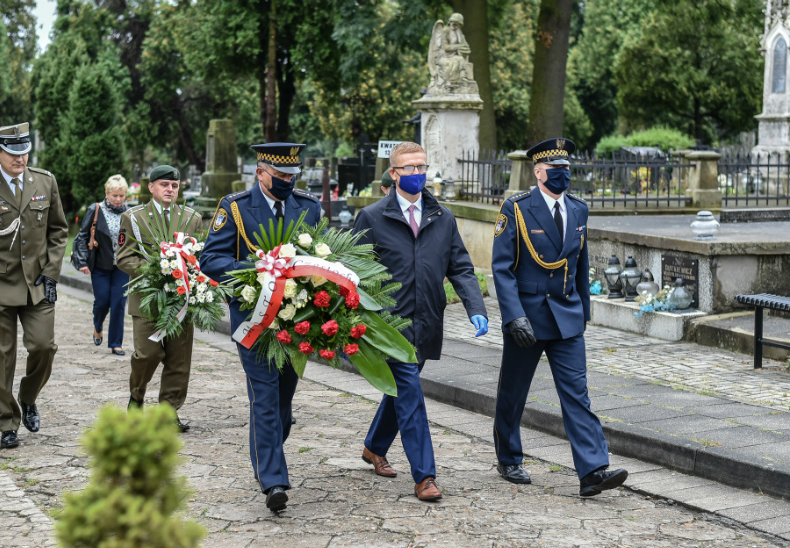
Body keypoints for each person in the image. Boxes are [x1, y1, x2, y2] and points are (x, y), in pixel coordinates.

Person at [491, 137, 629, 497]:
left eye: (567, 169)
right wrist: (513, 315)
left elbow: (580, 264)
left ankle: (593, 471)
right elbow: (502, 269)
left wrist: (583, 309)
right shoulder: (516, 208)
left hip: (567, 317)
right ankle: (508, 457)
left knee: (577, 395)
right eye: (555, 170)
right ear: (538, 172)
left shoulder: (579, 209)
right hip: (528, 319)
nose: (562, 175)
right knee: (514, 391)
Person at [352, 141, 489, 502]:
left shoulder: (442, 217)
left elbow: (460, 265)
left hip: (427, 319)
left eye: (422, 167)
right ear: (393, 174)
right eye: (409, 168)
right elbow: (352, 272)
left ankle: (373, 446)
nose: (417, 174)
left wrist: (475, 306)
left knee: (400, 390)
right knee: (411, 394)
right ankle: (424, 476)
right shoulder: (372, 217)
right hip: (389, 325)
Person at [199, 143, 321, 512]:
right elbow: (211, 258)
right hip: (253, 320)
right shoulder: (235, 208)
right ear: (260, 172)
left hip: (296, 322)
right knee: (264, 397)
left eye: (291, 176)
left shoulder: (308, 207)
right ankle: (273, 482)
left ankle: (267, 452)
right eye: (280, 176)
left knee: (283, 401)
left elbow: (322, 254)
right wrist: (257, 272)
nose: (286, 182)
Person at [0, 122, 67, 449]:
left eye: (24, 152)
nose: (20, 159)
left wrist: (51, 274)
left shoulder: (45, 182)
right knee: (2, 358)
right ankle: (8, 422)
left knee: (44, 346)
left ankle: (28, 396)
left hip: (37, 284)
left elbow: (58, 232)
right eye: (12, 153)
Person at [116, 165, 202, 431]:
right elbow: (123, 257)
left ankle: (168, 411)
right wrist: (157, 270)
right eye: (164, 184)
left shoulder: (191, 218)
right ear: (151, 187)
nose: (170, 189)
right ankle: (136, 396)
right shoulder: (134, 217)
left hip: (180, 299)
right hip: (147, 298)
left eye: (174, 186)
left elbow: (198, 255)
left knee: (179, 358)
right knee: (147, 353)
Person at [72, 174, 131, 355]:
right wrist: (82, 262)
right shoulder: (95, 209)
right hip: (100, 265)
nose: (119, 199)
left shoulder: (130, 213)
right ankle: (97, 325)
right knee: (102, 302)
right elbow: (82, 236)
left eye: (122, 196)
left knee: (119, 303)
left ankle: (115, 342)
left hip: (122, 266)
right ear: (107, 193)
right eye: (115, 195)